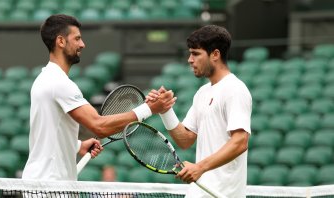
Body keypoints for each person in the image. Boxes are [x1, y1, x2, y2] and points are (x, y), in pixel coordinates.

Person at [22, 14, 176, 182]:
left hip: (43, 183)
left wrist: (78, 146)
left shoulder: (44, 79)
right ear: (61, 41)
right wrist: (149, 109)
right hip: (49, 185)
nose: (82, 44)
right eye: (77, 39)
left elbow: (48, 132)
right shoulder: (59, 83)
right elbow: (99, 126)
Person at [147, 25, 252, 197]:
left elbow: (240, 142)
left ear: (215, 54)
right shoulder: (202, 93)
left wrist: (200, 167)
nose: (190, 59)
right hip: (199, 192)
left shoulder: (235, 89)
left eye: (195, 53)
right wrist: (165, 110)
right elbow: (185, 140)